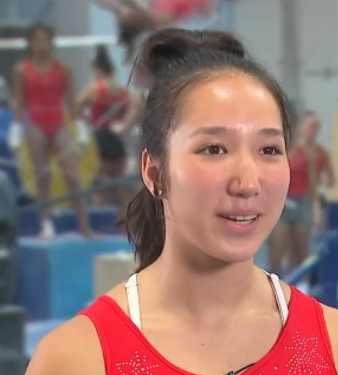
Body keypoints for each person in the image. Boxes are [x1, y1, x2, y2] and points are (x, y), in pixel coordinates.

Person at [11, 28, 338, 375]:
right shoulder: (72, 366)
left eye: (269, 149)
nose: (247, 183)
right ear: (154, 171)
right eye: (213, 149)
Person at [10, 23, 95, 238]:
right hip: (36, 123)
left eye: (45, 40)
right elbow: (19, 103)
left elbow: (72, 102)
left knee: (72, 174)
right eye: (37, 40)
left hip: (58, 122)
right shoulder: (22, 70)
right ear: (30, 43)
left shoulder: (63, 68)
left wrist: (81, 132)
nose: (41, 44)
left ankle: (84, 226)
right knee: (42, 175)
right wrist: (16, 133)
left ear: (51, 43)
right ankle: (46, 225)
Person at [268, 111, 334, 276]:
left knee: (301, 251)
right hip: (281, 202)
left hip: (301, 201)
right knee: (277, 250)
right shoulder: (274, 149)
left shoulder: (309, 153)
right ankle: (271, 291)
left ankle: (297, 291)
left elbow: (312, 183)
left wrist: (316, 209)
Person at [77, 45, 141, 210]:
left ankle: (102, 223)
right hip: (117, 139)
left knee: (100, 187)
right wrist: (125, 126)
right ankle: (124, 226)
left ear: (97, 70)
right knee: (119, 186)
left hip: (100, 138)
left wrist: (85, 123)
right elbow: (137, 106)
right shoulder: (121, 90)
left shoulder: (94, 88)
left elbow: (75, 106)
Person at [91, 0, 215, 63]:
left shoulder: (151, 14)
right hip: (161, 18)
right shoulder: (157, 20)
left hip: (158, 18)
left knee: (125, 11)